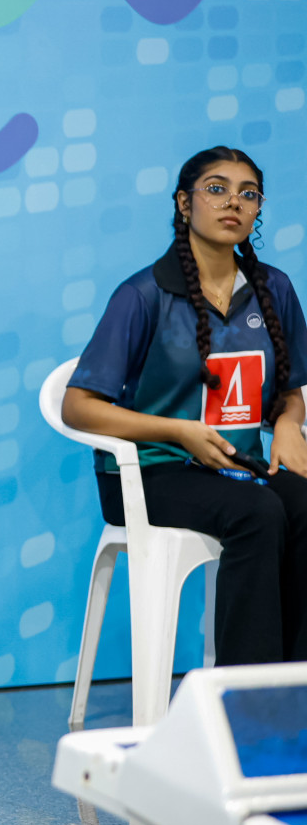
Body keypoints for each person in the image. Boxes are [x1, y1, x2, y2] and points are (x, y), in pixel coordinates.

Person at [63, 145, 307, 664]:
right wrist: (178, 432)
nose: (232, 203)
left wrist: (289, 423)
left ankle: (294, 685)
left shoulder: (274, 291)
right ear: (183, 202)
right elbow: (78, 406)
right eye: (216, 189)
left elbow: (288, 390)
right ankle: (243, 698)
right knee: (260, 512)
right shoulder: (142, 294)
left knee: (304, 503)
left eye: (248, 194)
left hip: (236, 466)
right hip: (149, 474)